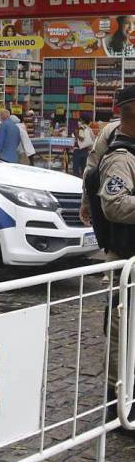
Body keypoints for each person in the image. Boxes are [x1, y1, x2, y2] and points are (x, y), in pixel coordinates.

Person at [93, 87, 135, 425]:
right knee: (123, 334)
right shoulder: (120, 156)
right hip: (127, 260)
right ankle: (120, 405)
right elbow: (116, 205)